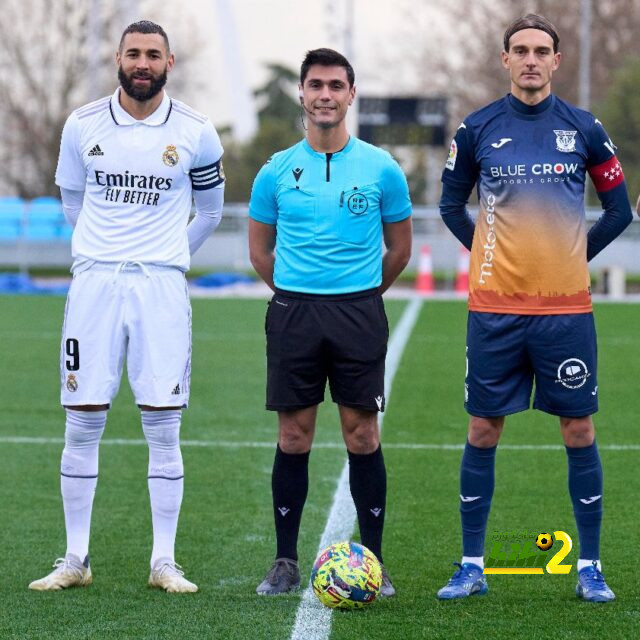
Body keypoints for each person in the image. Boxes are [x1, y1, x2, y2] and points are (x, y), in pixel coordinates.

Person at [436, 14, 632, 602]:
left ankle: (590, 566)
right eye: (519, 49)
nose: (529, 59)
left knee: (578, 428)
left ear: (556, 60)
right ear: (504, 59)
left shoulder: (585, 129)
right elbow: (450, 204)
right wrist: (487, 254)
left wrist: (573, 256)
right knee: (482, 427)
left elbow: (619, 210)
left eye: (540, 50)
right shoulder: (477, 128)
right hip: (494, 310)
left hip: (565, 313)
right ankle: (472, 565)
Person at [29, 20, 225, 593]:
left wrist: (163, 257)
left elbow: (210, 213)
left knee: (163, 425)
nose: (143, 63)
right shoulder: (82, 124)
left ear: (170, 62)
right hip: (93, 287)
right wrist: (104, 253)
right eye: (134, 53)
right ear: (118, 57)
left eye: (153, 55)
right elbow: (73, 199)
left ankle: (164, 561)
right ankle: (74, 558)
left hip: (160, 289)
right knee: (82, 420)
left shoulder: (195, 130)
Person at [248, 48, 412, 596]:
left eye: (335, 86)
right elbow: (259, 250)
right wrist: (299, 293)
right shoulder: (275, 170)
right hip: (294, 312)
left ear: (350, 94)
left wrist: (359, 296)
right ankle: (285, 560)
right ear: (302, 92)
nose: (325, 94)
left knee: (361, 433)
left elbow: (399, 249)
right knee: (293, 436)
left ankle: (376, 560)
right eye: (315, 85)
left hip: (359, 312)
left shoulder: (381, 168)